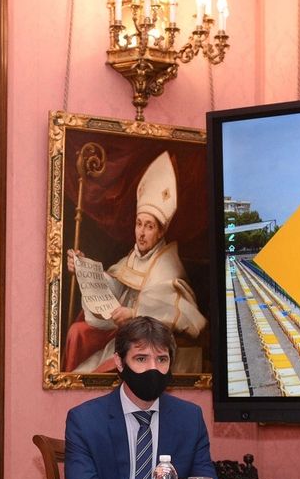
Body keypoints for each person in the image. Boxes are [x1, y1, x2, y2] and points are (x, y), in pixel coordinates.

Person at [64, 315, 223, 479]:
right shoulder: (85, 420)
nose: (153, 369)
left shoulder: (189, 418)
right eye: (141, 359)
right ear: (120, 363)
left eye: (162, 359)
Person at [64, 150, 208, 373]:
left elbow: (176, 313)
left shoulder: (168, 266)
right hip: (124, 333)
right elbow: (114, 286)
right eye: (139, 224)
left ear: (160, 233)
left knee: (97, 369)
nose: (141, 233)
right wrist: (85, 268)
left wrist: (133, 313)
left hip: (146, 342)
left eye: (149, 226)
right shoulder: (134, 256)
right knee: (77, 337)